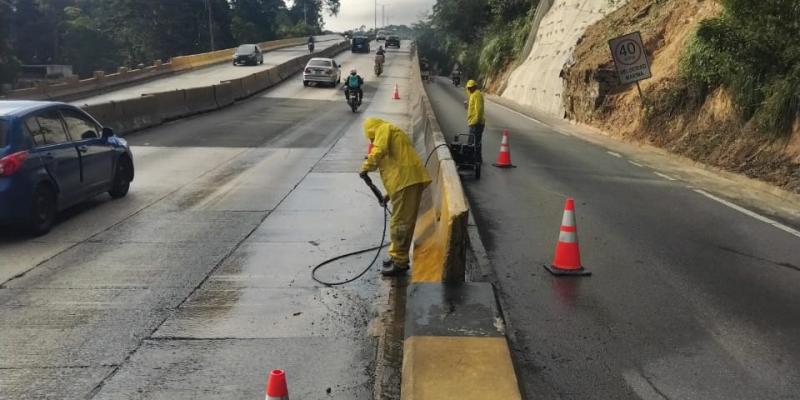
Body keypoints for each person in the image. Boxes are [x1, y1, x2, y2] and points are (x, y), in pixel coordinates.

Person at [360, 118, 432, 276]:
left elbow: (378, 150)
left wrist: (366, 167)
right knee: (401, 221)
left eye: (371, 137)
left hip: (406, 182)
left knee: (400, 223)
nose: (372, 141)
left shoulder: (383, 129)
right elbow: (396, 163)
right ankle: (396, 256)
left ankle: (399, 262)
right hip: (406, 182)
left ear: (372, 130)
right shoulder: (391, 132)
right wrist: (388, 196)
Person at [466, 79, 485, 162]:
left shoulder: (476, 94)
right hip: (474, 122)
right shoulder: (473, 94)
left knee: (472, 142)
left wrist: (476, 121)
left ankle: (472, 160)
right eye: (468, 88)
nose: (469, 89)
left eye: (470, 87)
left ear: (474, 87)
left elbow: (479, 109)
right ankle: (478, 159)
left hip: (476, 123)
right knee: (476, 142)